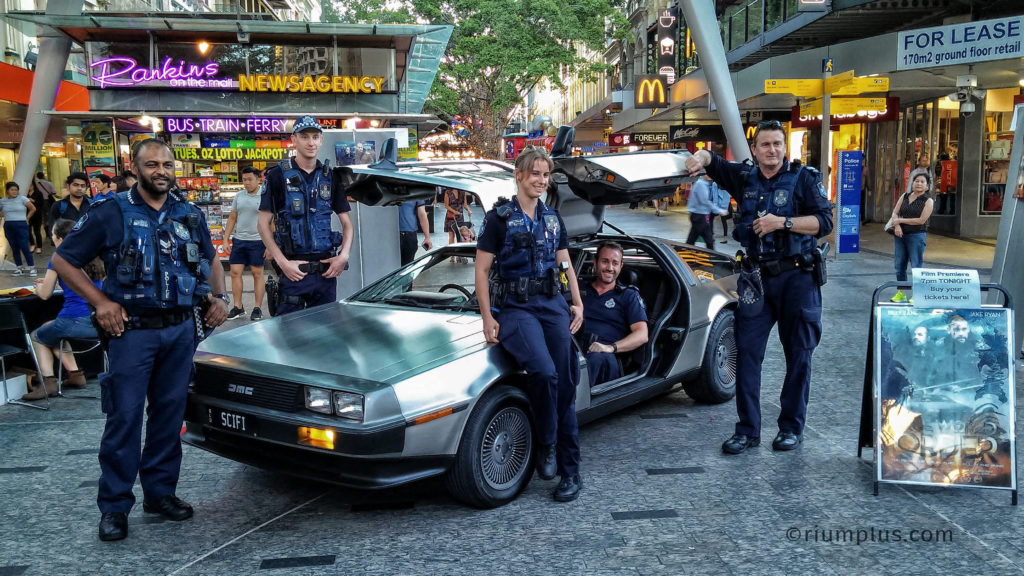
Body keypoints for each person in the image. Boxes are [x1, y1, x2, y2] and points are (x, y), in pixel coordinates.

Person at [51, 138, 229, 542]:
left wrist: (218, 297)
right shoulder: (110, 211)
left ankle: (160, 494)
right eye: (152, 164)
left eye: (167, 164)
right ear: (135, 167)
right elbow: (63, 260)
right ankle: (114, 507)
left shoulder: (189, 212)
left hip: (181, 329)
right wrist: (100, 302)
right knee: (125, 418)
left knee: (169, 416)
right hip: (132, 332)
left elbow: (210, 257)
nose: (161, 171)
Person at [685, 120, 833, 454]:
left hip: (798, 277)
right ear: (754, 149)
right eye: (765, 145)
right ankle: (747, 430)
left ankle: (790, 428)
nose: (772, 150)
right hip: (757, 281)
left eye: (777, 144)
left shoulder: (804, 179)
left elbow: (825, 222)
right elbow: (715, 163)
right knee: (748, 355)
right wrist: (701, 157)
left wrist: (783, 223)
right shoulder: (745, 177)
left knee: (799, 356)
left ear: (785, 147)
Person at [475, 147, 585, 502]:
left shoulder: (553, 218)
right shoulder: (499, 218)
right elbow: (481, 269)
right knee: (543, 371)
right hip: (516, 308)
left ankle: (571, 472)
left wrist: (577, 301)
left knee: (566, 380)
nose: (541, 180)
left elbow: (565, 265)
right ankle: (547, 442)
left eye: (545, 174)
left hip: (552, 304)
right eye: (534, 173)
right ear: (519, 176)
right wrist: (487, 316)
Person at [258, 116, 354, 315]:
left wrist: (343, 256)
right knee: (289, 336)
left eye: (315, 137)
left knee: (325, 332)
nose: (310, 142)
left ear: (321, 140)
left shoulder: (331, 177)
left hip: (326, 274)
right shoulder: (277, 176)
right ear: (294, 139)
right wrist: (282, 263)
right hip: (294, 273)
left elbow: (347, 223)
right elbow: (262, 223)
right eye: (304, 136)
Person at [22, 219, 104, 401]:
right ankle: (76, 375)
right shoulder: (93, 254)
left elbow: (44, 295)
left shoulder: (59, 257)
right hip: (98, 322)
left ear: (60, 238)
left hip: (74, 319)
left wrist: (39, 286)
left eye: (52, 236)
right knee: (51, 330)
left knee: (37, 336)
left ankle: (48, 383)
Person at [579, 241, 648, 387]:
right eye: (605, 261)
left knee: (593, 361)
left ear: (621, 266)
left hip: (604, 356)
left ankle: (569, 406)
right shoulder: (579, 288)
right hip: (575, 347)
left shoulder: (628, 295)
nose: (610, 268)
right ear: (595, 262)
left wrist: (610, 347)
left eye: (615, 263)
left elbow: (642, 335)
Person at [224, 166, 268, 320]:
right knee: (235, 272)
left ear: (258, 179)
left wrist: (270, 245)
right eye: (244, 179)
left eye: (250, 179)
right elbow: (232, 218)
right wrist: (226, 239)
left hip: (258, 241)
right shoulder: (239, 196)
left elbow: (271, 221)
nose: (247, 183)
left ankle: (257, 308)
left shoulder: (265, 195)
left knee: (257, 274)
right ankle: (238, 307)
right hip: (239, 240)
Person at [889, 172, 934, 303]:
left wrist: (900, 221)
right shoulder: (905, 196)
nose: (919, 184)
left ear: (927, 186)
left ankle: (917, 295)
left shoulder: (928, 200)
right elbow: (895, 212)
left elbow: (921, 220)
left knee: (916, 265)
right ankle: (901, 293)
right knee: (899, 265)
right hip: (900, 235)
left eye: (922, 182)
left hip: (916, 236)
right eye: (916, 181)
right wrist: (897, 226)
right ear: (912, 183)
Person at [0, 181, 37, 276]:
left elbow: (33, 209)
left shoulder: (23, 199)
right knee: (14, 247)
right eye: (12, 190)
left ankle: (32, 268)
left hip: (21, 225)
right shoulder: (3, 200)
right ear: (7, 191)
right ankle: (19, 268)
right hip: (8, 225)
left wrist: (27, 218)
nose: (14, 191)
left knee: (25, 246)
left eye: (16, 190)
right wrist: (5, 215)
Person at [686, 173, 728, 250]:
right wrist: (719, 210)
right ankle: (684, 255)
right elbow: (705, 201)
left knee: (707, 240)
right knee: (694, 241)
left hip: (701, 216)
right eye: (707, 173)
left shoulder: (704, 184)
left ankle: (712, 256)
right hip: (699, 216)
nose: (709, 175)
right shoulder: (701, 184)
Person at [398, 199, 432, 266]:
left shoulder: (415, 191)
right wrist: (427, 237)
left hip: (407, 233)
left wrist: (427, 237)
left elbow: (422, 214)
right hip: (404, 232)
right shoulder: (415, 190)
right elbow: (422, 213)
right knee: (405, 267)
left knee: (406, 266)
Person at [27, 175, 46, 254]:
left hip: (37, 214)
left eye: (30, 185)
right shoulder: (24, 194)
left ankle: (39, 246)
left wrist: (32, 201)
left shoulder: (38, 193)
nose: (29, 187)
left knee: (37, 231)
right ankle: (32, 244)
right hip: (27, 215)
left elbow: (41, 204)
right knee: (28, 231)